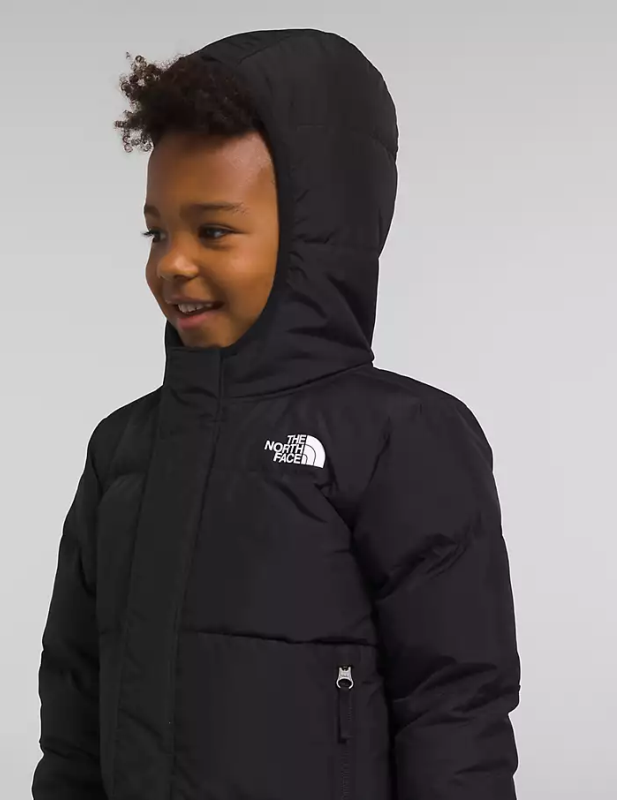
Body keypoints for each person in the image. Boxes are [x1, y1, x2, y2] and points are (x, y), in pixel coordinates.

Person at [32, 28, 521, 800]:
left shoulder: (399, 438)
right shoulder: (124, 447)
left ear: (314, 240)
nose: (172, 262)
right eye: (157, 231)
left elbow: (453, 711)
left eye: (213, 230)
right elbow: (73, 700)